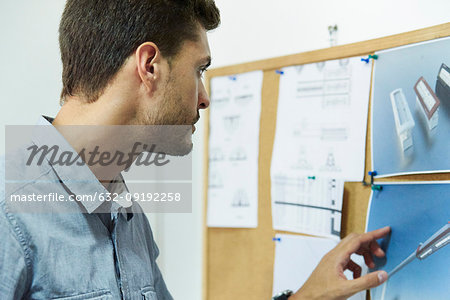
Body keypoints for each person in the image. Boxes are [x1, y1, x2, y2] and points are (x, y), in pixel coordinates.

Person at [0, 0, 388, 299]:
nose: (204, 98)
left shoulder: (124, 213)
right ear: (149, 65)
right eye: (199, 70)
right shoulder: (10, 212)